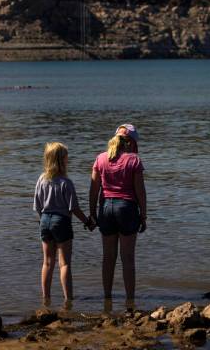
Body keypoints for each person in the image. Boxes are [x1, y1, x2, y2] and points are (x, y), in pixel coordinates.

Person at [89, 124, 147, 305]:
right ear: (129, 143)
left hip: (106, 208)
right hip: (127, 209)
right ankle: (130, 300)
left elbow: (93, 190)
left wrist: (92, 213)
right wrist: (143, 215)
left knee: (108, 257)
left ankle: (107, 298)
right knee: (127, 258)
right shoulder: (134, 161)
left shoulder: (100, 159)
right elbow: (140, 192)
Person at [34, 142, 94, 306]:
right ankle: (68, 299)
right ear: (62, 161)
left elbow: (37, 206)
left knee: (47, 262)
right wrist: (88, 221)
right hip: (61, 221)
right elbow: (73, 208)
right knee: (64, 263)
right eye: (67, 157)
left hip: (44, 220)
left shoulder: (41, 179)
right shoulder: (66, 182)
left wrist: (44, 220)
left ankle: (46, 298)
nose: (69, 160)